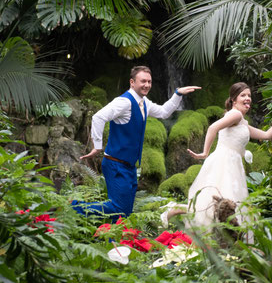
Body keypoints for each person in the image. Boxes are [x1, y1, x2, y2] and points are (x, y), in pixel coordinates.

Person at [165, 82, 272, 231]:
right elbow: (212, 127)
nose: (247, 98)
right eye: (243, 95)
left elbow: (266, 135)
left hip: (233, 164)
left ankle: (180, 211)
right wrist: (205, 153)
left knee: (222, 205)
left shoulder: (241, 121)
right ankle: (179, 211)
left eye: (249, 95)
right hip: (224, 162)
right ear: (234, 100)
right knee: (222, 203)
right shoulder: (235, 114)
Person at [72, 66, 200, 217]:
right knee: (118, 208)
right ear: (132, 82)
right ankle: (74, 209)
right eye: (143, 81)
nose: (147, 85)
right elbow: (98, 117)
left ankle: (111, 237)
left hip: (130, 166)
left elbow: (164, 112)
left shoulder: (144, 102)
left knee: (124, 212)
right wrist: (97, 146)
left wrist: (177, 94)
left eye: (149, 82)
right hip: (116, 164)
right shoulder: (124, 102)